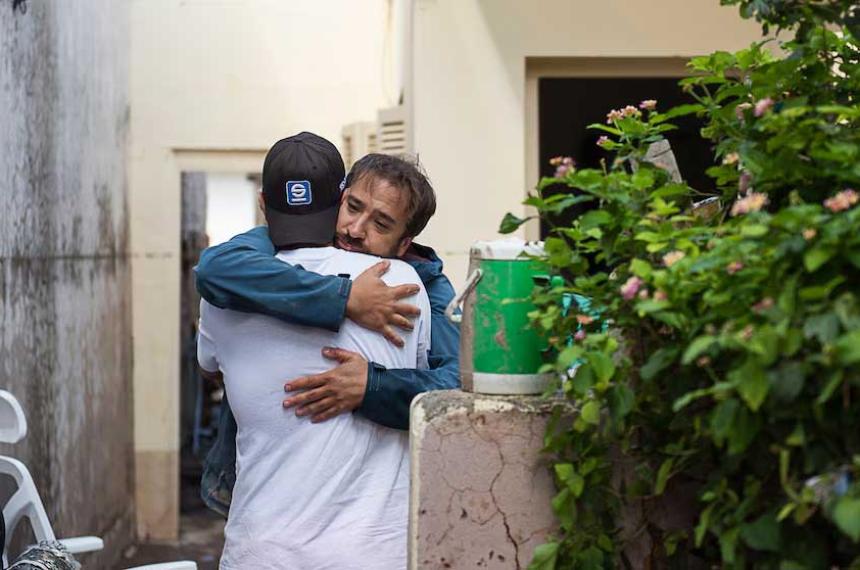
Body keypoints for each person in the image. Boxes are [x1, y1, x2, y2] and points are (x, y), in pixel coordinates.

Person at [197, 132, 431, 568]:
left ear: (263, 204)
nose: (356, 231)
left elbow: (211, 368)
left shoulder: (221, 294)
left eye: (379, 223)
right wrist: (343, 300)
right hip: (371, 554)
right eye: (354, 210)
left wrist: (371, 386)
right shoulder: (404, 287)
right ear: (339, 197)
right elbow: (439, 392)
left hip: (259, 552)